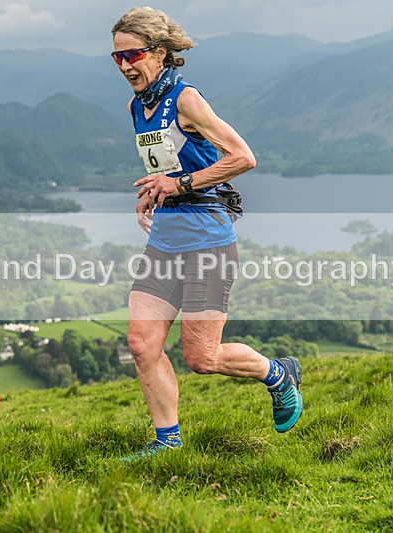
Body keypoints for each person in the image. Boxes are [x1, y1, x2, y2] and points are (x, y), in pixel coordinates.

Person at [112, 7, 303, 460]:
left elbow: (242, 157)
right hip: (164, 242)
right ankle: (167, 442)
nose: (124, 66)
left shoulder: (185, 99)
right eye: (116, 57)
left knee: (202, 358)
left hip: (207, 243)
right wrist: (155, 192)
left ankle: (278, 374)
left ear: (160, 53)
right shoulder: (137, 107)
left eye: (133, 55)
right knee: (142, 345)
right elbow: (170, 165)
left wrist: (178, 185)